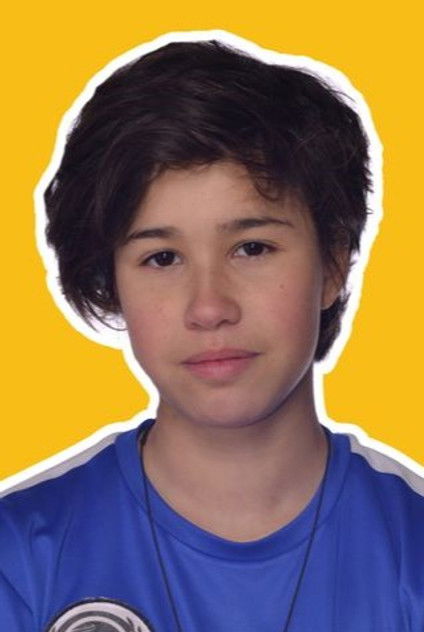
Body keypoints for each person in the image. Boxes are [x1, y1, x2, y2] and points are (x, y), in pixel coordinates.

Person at [1, 34, 423, 632]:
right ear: (109, 282)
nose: (209, 307)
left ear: (332, 264)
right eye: (162, 258)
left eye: (252, 248)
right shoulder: (20, 557)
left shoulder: (411, 550)